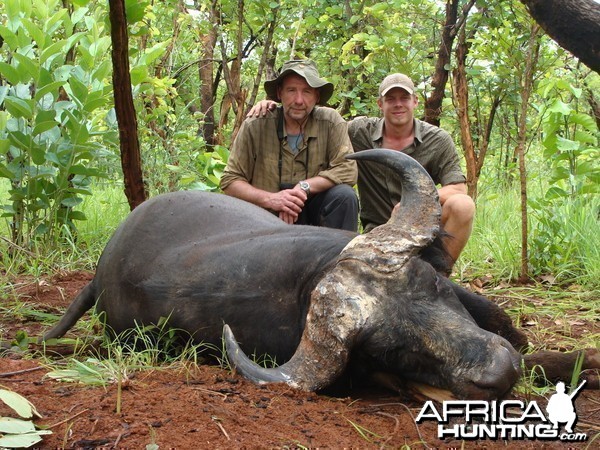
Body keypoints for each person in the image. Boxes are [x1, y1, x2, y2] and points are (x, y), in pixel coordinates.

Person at [248, 73, 475, 269]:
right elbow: (321, 125)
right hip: (378, 232)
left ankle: (439, 275)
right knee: (343, 194)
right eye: (390, 99)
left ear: (415, 101)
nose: (398, 104)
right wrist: (272, 108)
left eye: (404, 98)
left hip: (421, 227)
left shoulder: (437, 139)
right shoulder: (358, 131)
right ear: (380, 104)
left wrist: (412, 203)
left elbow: (458, 188)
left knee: (463, 206)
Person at [220, 60, 358, 231]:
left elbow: (348, 170)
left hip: (315, 219)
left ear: (317, 96)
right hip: (265, 218)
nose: (299, 100)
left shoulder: (330, 122)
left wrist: (303, 187)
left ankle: (342, 255)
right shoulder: (256, 124)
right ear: (279, 93)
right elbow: (230, 180)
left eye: (307, 92)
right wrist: (272, 199)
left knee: (345, 196)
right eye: (291, 90)